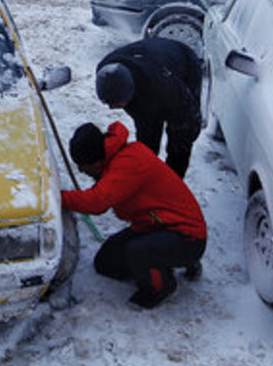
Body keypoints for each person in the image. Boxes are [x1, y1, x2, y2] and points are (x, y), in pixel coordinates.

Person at [62, 121, 207, 309]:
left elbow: (97, 202)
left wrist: (58, 198)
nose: (81, 170)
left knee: (137, 252)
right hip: (155, 226)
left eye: (83, 165)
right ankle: (164, 262)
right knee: (106, 263)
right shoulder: (115, 158)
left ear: (97, 162)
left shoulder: (128, 163)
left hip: (187, 236)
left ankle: (161, 286)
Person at [95, 37, 202, 178]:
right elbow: (143, 117)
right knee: (147, 138)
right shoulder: (106, 71)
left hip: (184, 63)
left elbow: (188, 114)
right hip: (150, 63)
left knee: (179, 141)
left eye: (117, 103)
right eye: (108, 103)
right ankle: (146, 177)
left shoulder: (166, 85)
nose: (111, 108)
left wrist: (187, 136)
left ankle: (172, 183)